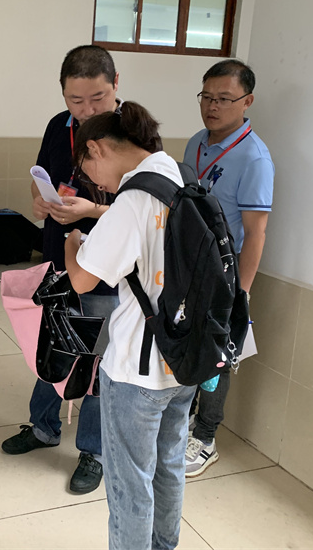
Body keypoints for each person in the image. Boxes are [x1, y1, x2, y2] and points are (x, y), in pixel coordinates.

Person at [64, 101, 197, 550]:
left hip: (136, 371)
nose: (94, 184)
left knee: (129, 485)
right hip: (185, 360)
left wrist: (73, 244)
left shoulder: (132, 198)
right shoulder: (181, 178)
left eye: (87, 170)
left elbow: (82, 279)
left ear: (96, 149)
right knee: (168, 467)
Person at [0, 45, 120, 495]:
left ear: (116, 84)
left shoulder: (134, 135)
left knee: (97, 362)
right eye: (76, 100)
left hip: (105, 271)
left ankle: (93, 451)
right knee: (50, 347)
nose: (86, 110)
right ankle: (44, 427)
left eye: (98, 98)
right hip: (57, 262)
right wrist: (40, 200)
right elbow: (42, 177)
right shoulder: (58, 125)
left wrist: (93, 209)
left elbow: (146, 209)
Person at [182, 59, 274, 477]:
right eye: (206, 97)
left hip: (225, 273)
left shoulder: (254, 158)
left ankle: (205, 438)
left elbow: (255, 234)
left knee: (217, 355)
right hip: (188, 265)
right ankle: (182, 422)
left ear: (247, 101)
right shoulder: (196, 143)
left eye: (224, 98)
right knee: (186, 345)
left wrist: (241, 294)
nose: (212, 106)